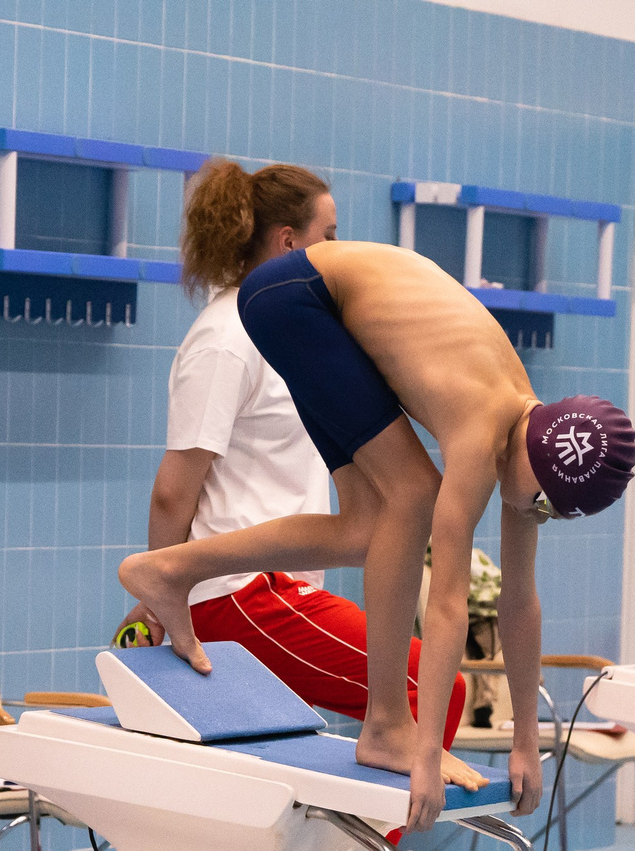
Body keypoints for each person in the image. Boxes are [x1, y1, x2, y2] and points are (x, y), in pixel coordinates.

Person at [115, 241, 635, 831]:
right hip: (296, 298)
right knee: (413, 496)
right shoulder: (480, 432)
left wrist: (525, 742)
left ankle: (171, 569)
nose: (537, 514)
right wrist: (422, 750)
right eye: (543, 502)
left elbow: (520, 603)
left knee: (370, 528)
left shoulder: (529, 444)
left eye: (555, 514)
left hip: (307, 302)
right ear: (537, 459)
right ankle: (387, 723)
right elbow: (445, 607)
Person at [117, 159, 466, 749]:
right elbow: (175, 487)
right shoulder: (226, 336)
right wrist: (160, 600)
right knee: (431, 687)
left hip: (279, 590)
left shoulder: (289, 333)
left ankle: (365, 842)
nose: (339, 249)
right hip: (238, 594)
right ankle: (378, 845)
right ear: (288, 243)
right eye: (329, 236)